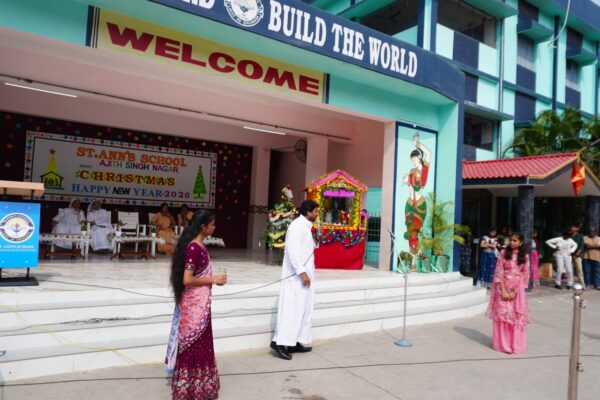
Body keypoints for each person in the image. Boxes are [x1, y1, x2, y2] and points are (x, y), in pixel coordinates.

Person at [166, 210, 227, 400]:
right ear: (203, 227)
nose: (214, 227)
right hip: (194, 308)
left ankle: (199, 386)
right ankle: (189, 388)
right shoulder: (194, 248)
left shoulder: (199, 246)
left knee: (201, 344)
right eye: (212, 224)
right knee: (193, 344)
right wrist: (213, 279)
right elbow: (187, 279)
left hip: (201, 305)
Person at [271, 200, 320, 361]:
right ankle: (279, 343)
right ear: (308, 212)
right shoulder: (296, 226)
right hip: (296, 277)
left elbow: (308, 248)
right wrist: (302, 272)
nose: (317, 214)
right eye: (315, 211)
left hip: (306, 276)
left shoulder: (307, 227)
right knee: (292, 310)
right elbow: (293, 252)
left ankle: (295, 342)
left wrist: (316, 239)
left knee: (304, 310)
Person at [486, 232, 531, 354]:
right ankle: (502, 345)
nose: (511, 242)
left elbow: (525, 275)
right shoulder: (503, 253)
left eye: (515, 240)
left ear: (521, 243)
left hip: (517, 289)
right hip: (503, 287)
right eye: (511, 240)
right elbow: (498, 272)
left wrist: (515, 292)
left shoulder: (525, 256)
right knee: (503, 315)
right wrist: (504, 291)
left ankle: (515, 345)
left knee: (515, 316)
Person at [403, 136, 431, 254]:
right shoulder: (411, 171)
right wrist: (406, 181)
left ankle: (418, 254)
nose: (414, 162)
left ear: (419, 158)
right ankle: (412, 256)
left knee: (415, 230)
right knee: (410, 231)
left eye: (415, 159)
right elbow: (411, 187)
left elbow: (428, 153)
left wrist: (417, 144)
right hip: (409, 203)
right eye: (412, 160)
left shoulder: (424, 169)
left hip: (420, 204)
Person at [570, 224, 585, 288]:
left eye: (573, 227)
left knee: (579, 271)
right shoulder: (569, 236)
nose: (572, 228)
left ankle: (582, 284)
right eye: (572, 227)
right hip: (570, 255)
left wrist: (576, 255)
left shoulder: (580, 236)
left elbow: (581, 246)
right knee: (570, 271)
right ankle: (570, 284)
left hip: (578, 256)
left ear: (577, 229)